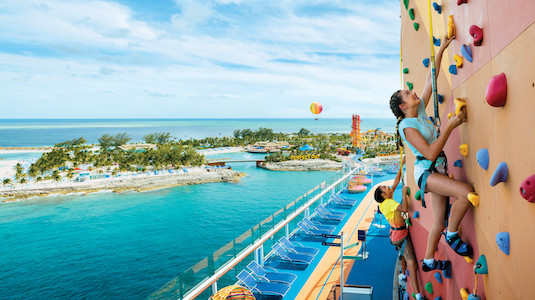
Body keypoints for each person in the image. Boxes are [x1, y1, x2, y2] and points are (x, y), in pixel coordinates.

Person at [389, 34, 479, 273]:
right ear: (402, 106)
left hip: (437, 168)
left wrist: (441, 51)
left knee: (438, 219)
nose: (412, 92)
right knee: (465, 193)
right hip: (427, 172)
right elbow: (429, 153)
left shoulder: (417, 112)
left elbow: (432, 80)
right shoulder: (407, 127)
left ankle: (428, 261)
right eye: (407, 94)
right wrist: (450, 125)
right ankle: (452, 234)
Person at [374, 183, 424, 300]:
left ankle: (403, 275)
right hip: (401, 235)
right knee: (411, 263)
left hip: (395, 235)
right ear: (383, 194)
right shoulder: (390, 203)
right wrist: (403, 194)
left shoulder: (383, 204)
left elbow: (395, 182)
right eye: (385, 188)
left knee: (402, 254)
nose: (389, 187)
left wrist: (400, 171)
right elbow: (405, 209)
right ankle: (417, 295)